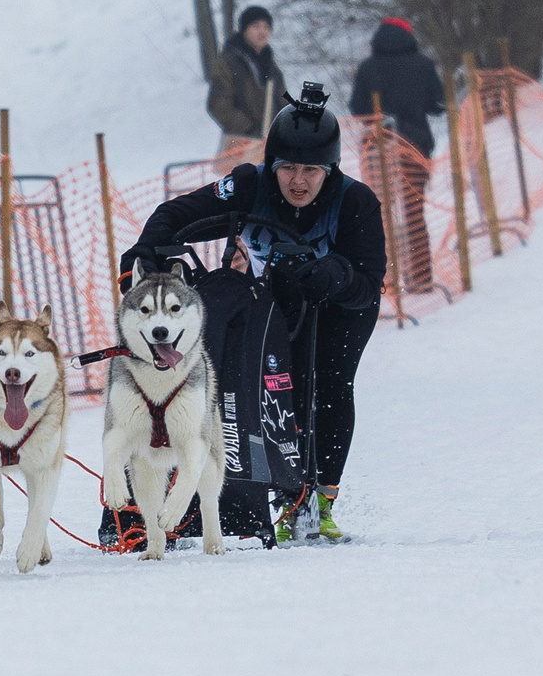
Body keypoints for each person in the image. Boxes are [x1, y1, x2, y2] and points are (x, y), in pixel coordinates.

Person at [117, 84, 388, 544]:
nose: (298, 182)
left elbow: (369, 282)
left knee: (327, 382)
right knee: (257, 384)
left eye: (311, 171)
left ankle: (319, 500)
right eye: (287, 170)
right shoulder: (248, 183)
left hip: (341, 306)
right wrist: (147, 249)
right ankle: (236, 487)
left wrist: (334, 275)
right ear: (272, 167)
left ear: (331, 170)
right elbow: (176, 212)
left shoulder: (355, 201)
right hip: (275, 295)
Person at [349, 17, 445, 293]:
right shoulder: (423, 65)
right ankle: (421, 276)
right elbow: (437, 104)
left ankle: (385, 279)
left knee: (380, 213)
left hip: (377, 147)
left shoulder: (367, 68)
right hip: (414, 146)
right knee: (413, 211)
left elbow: (358, 108)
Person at [206, 5, 287, 151]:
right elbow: (218, 105)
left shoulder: (271, 66)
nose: (262, 32)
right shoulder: (227, 62)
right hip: (239, 145)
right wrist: (250, 129)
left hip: (271, 145)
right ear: (244, 29)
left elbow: (283, 102)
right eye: (256, 26)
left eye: (266, 27)